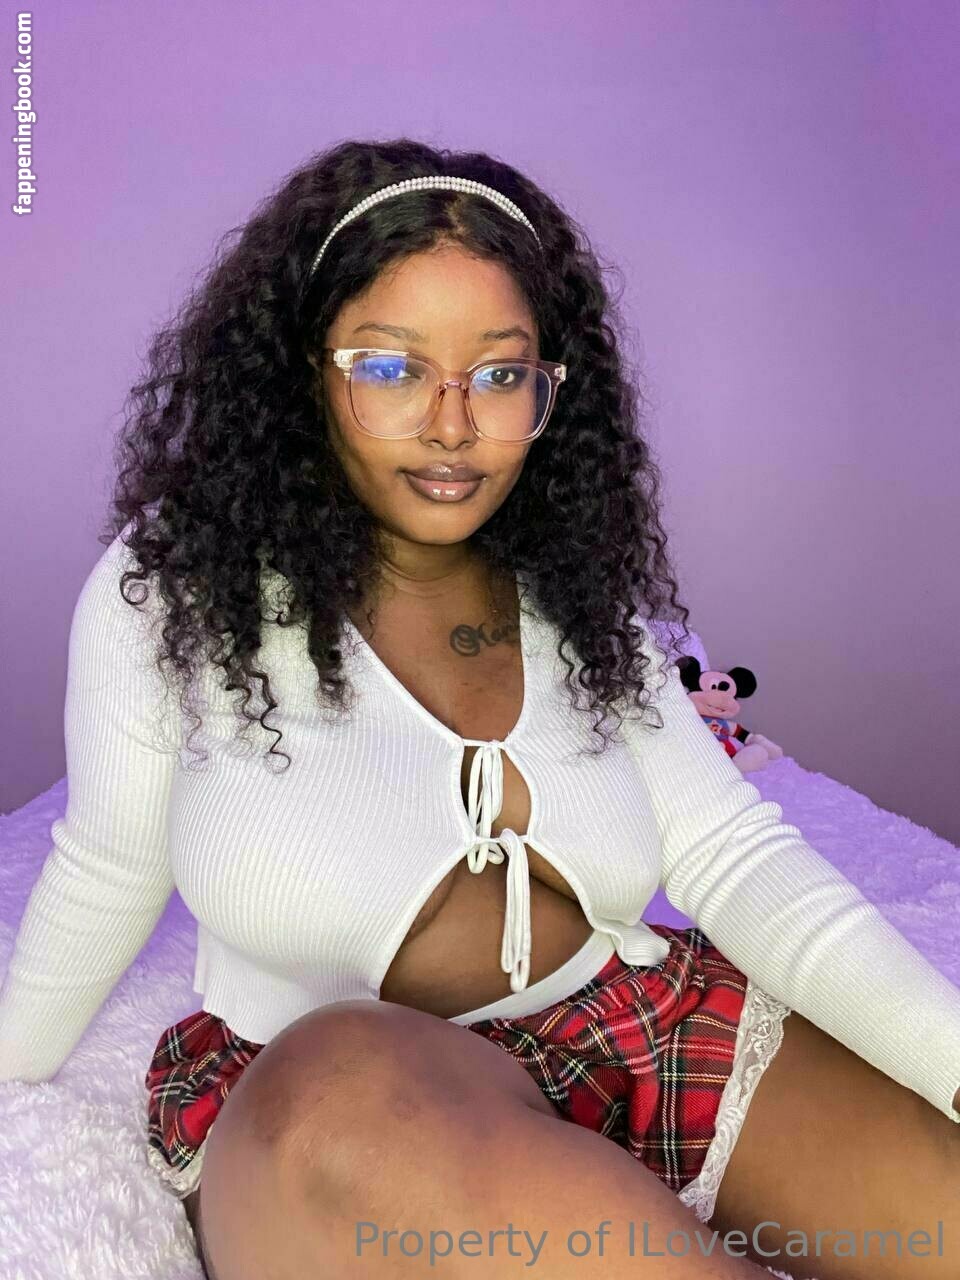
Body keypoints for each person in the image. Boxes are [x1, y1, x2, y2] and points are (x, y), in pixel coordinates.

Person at [2, 138, 960, 1280]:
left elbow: (735, 853)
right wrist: (9, 1066)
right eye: (393, 368)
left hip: (632, 1029)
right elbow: (106, 864)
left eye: (500, 376)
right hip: (343, 1084)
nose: (453, 425)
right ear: (304, 372)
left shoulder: (573, 591)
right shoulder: (177, 586)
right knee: (352, 1097)